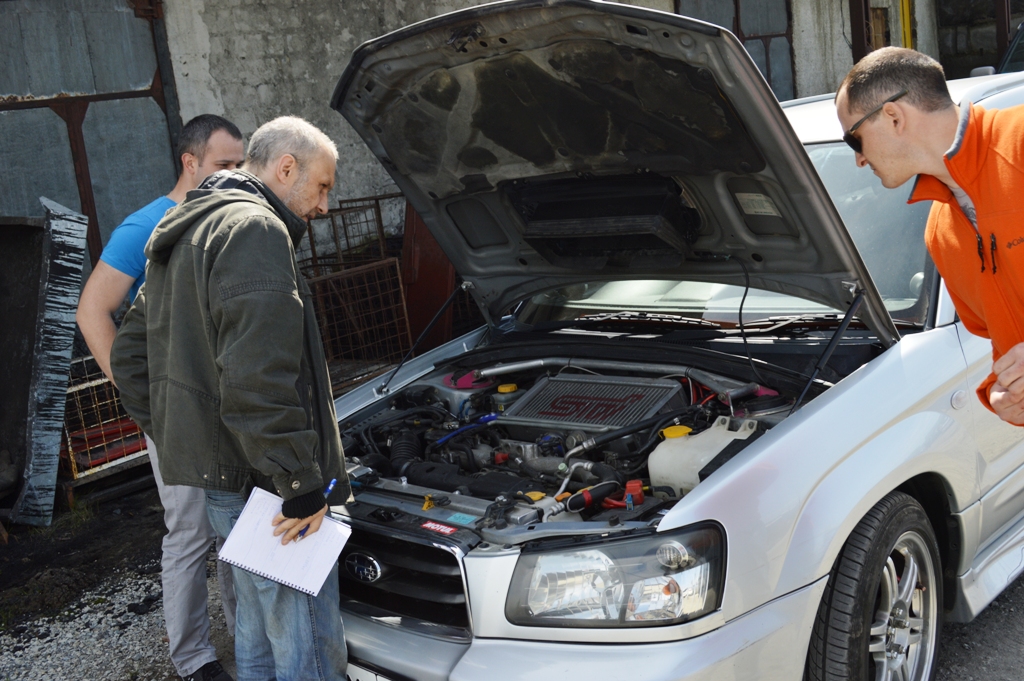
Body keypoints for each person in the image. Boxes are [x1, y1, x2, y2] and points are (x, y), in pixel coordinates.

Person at [110, 116, 350, 681]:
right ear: (285, 168)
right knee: (307, 645)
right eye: (321, 186)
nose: (323, 205)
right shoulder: (256, 230)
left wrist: (192, 437)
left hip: (225, 482)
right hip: (270, 485)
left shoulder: (190, 225)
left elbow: (130, 359)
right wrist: (298, 481)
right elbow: (257, 376)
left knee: (257, 634)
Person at [76, 114, 245, 681]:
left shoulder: (232, 219)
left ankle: (248, 640)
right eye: (223, 164)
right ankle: (193, 658)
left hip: (231, 404)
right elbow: (92, 310)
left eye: (241, 164)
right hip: (175, 412)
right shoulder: (145, 227)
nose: (234, 174)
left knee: (238, 525)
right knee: (192, 529)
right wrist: (140, 396)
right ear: (190, 163)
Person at [836, 47, 1024, 426]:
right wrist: (1003, 392)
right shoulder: (940, 234)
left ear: (893, 116)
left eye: (854, 140)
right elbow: (1007, 343)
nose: (859, 159)